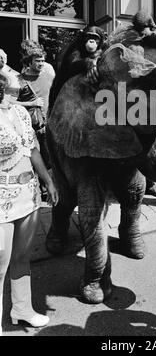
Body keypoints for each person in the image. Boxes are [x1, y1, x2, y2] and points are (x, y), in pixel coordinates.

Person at [0, 73, 59, 335]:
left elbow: (32, 148)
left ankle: (21, 309)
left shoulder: (21, 114)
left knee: (22, 256)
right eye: (11, 87)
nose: (17, 89)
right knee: (0, 261)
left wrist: (47, 180)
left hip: (28, 192)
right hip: (2, 196)